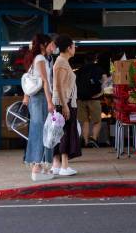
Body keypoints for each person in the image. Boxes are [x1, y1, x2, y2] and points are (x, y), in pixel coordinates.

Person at [22, 34, 55, 181]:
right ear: (43, 45)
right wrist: (50, 101)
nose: (53, 47)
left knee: (37, 131)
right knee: (41, 132)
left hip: (35, 99)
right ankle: (37, 167)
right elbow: (45, 82)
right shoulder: (41, 59)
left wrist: (26, 97)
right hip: (40, 98)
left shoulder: (35, 59)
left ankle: (38, 167)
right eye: (51, 44)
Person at [51, 34, 82, 176]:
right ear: (69, 48)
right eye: (74, 46)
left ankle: (57, 165)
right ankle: (64, 166)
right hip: (64, 102)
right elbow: (59, 85)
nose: (75, 48)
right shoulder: (62, 62)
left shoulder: (62, 61)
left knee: (60, 132)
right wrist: (65, 105)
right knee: (65, 133)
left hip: (64, 101)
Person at [76, 54, 105, 148]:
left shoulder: (79, 70)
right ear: (95, 60)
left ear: (85, 60)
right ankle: (94, 139)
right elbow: (105, 81)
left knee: (85, 121)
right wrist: (101, 92)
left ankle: (85, 141)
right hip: (94, 98)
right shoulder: (99, 69)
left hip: (81, 99)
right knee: (97, 121)